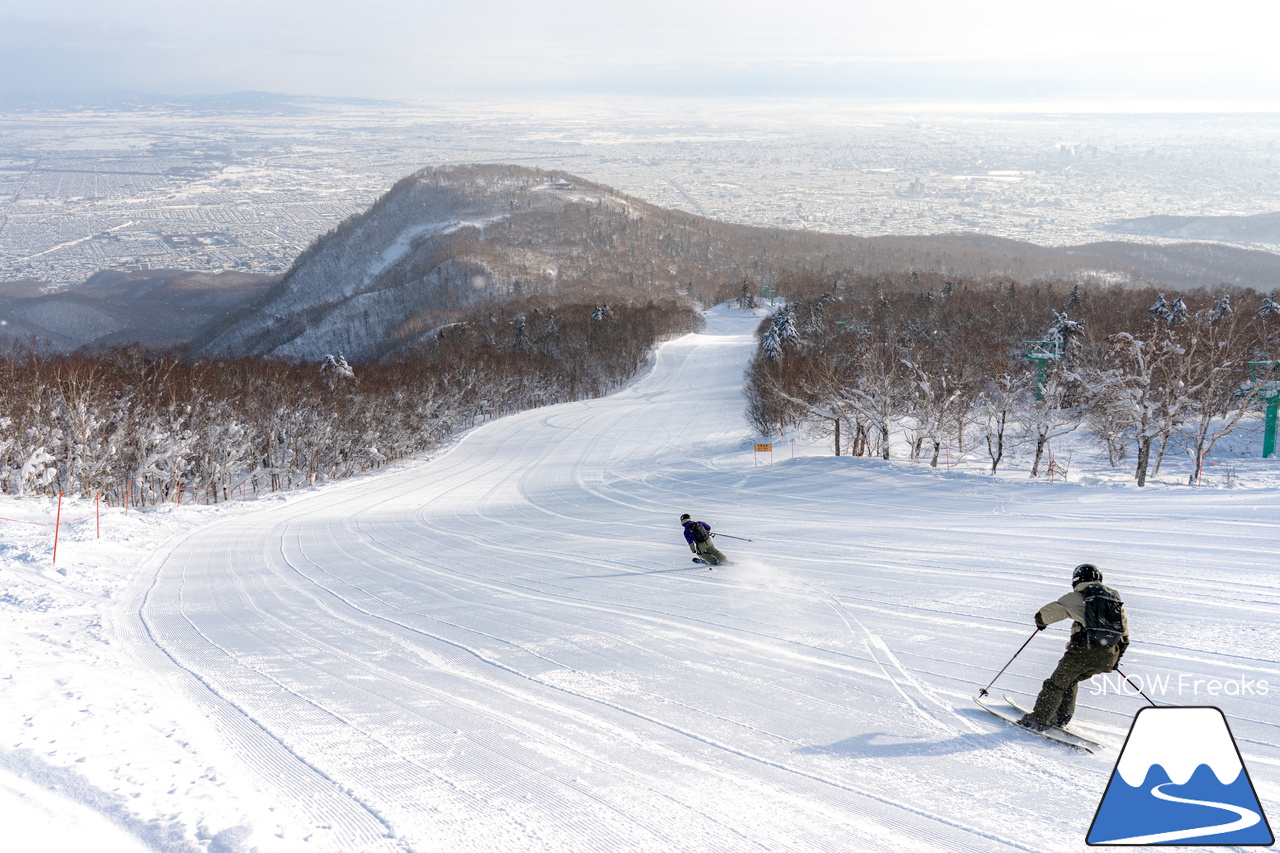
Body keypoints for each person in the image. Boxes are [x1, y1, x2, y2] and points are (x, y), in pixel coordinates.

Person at [1019, 563, 1129, 731]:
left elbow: (1045, 614)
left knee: (1055, 684)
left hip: (1084, 651)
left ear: (1077, 579)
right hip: (1110, 654)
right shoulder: (1115, 602)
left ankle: (1039, 720)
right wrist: (1114, 659)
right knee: (1069, 681)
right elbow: (1125, 636)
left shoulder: (1076, 597)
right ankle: (1060, 718)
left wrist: (1040, 622)